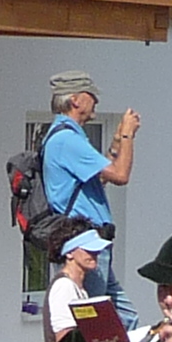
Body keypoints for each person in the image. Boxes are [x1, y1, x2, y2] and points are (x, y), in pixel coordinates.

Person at [41, 71, 140, 322]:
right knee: (93, 323)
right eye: (91, 95)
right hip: (85, 243)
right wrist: (128, 135)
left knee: (127, 320)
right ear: (75, 100)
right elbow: (120, 175)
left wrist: (116, 141)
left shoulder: (68, 136)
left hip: (93, 242)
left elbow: (101, 178)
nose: (96, 100)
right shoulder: (66, 140)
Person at [45, 229, 109, 342]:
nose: (95, 254)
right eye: (88, 250)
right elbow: (65, 338)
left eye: (96, 250)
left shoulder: (80, 289)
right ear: (69, 253)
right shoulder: (64, 286)